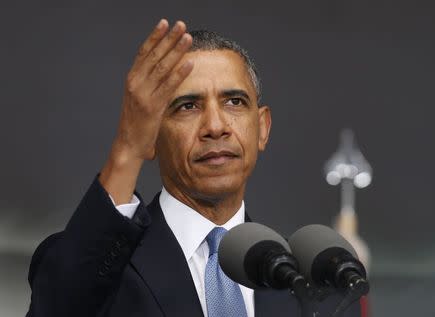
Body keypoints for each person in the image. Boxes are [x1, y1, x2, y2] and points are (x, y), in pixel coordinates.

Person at [26, 19, 362, 317]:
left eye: (234, 102)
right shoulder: (101, 266)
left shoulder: (308, 282)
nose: (215, 126)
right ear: (152, 133)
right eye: (188, 106)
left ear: (262, 128)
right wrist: (128, 148)